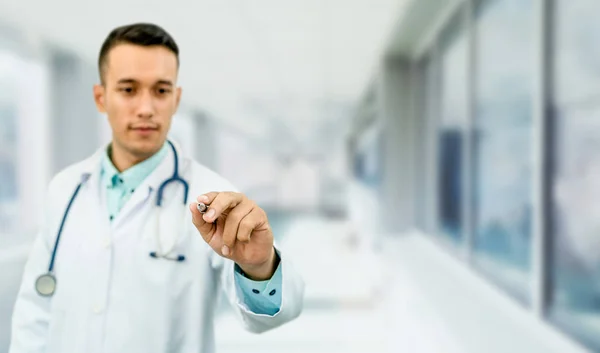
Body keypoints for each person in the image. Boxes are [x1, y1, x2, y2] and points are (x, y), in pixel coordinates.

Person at [8, 23, 305, 353]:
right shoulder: (65, 189)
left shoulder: (212, 198)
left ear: (176, 99)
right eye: (128, 89)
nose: (146, 108)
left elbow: (268, 316)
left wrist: (259, 267)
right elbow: (35, 308)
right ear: (101, 97)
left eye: (161, 91)